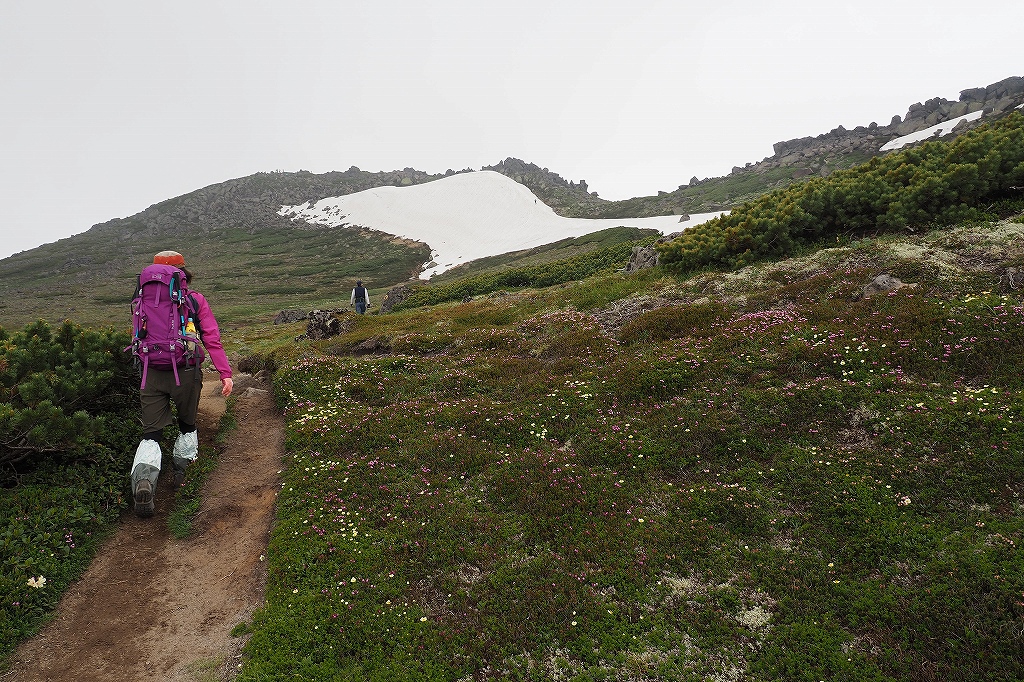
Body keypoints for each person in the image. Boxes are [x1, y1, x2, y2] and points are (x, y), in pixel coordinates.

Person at [130, 251, 233, 517]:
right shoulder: (194, 299)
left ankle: (144, 481)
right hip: (185, 371)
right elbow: (211, 337)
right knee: (187, 424)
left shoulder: (142, 297)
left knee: (150, 432)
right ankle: (182, 472)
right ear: (183, 271)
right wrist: (225, 372)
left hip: (150, 371)